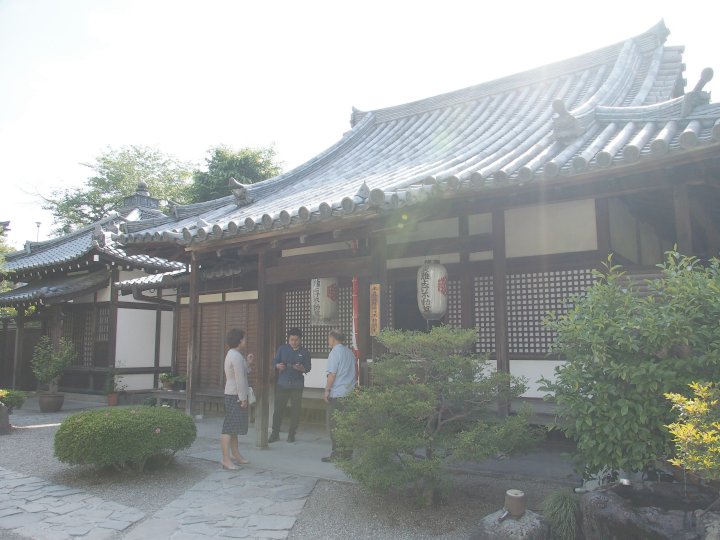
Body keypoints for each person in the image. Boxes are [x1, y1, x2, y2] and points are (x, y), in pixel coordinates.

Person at [269, 327, 311, 443]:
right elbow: (274, 361)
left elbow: (308, 368)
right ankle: (275, 434)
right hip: (283, 383)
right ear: (288, 339)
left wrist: (301, 368)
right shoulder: (282, 349)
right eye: (291, 340)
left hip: (297, 384)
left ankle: (291, 434)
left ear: (300, 340)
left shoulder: (304, 352)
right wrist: (278, 366)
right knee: (278, 409)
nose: (294, 342)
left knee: (295, 410)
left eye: (296, 340)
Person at [220, 328, 254, 470]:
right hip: (235, 395)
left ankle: (235, 454)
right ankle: (225, 459)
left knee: (233, 427)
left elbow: (241, 372)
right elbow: (240, 379)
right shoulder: (236, 356)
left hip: (232, 393)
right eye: (244, 338)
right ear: (239, 341)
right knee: (229, 427)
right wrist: (243, 398)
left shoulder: (233, 354)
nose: (245, 341)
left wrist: (248, 363)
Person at [321, 328, 357, 462]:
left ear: (333, 339)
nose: (328, 341)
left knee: (335, 424)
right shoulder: (349, 352)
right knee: (347, 424)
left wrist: (326, 390)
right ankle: (347, 453)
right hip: (350, 392)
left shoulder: (335, 353)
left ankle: (337, 454)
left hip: (338, 393)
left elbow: (332, 374)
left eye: (329, 338)